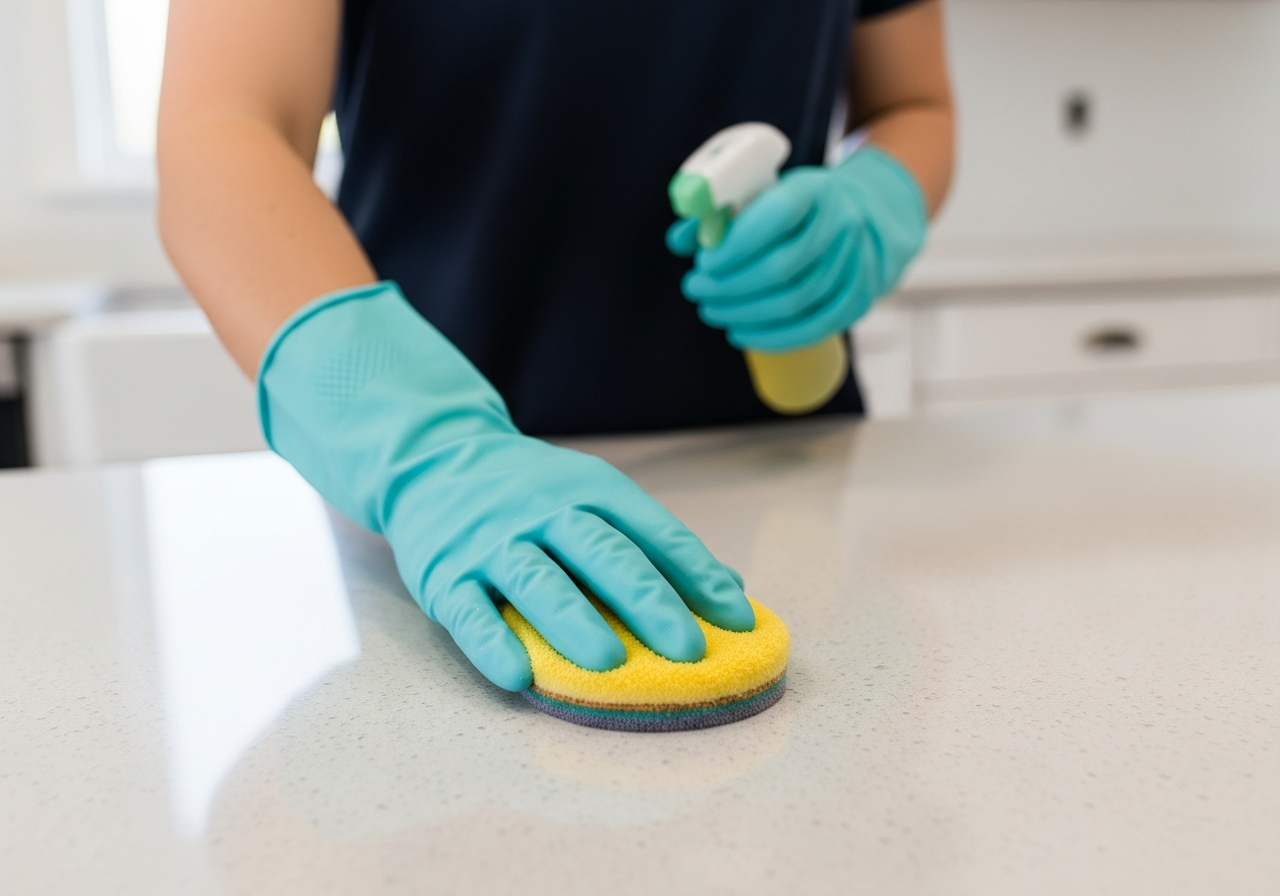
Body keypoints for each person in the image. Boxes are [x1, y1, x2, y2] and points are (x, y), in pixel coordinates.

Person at [157, 0, 954, 691]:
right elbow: (220, 130)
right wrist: (422, 444)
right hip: (447, 503)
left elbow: (913, 102)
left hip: (789, 472)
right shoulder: (433, 469)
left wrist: (876, 198)